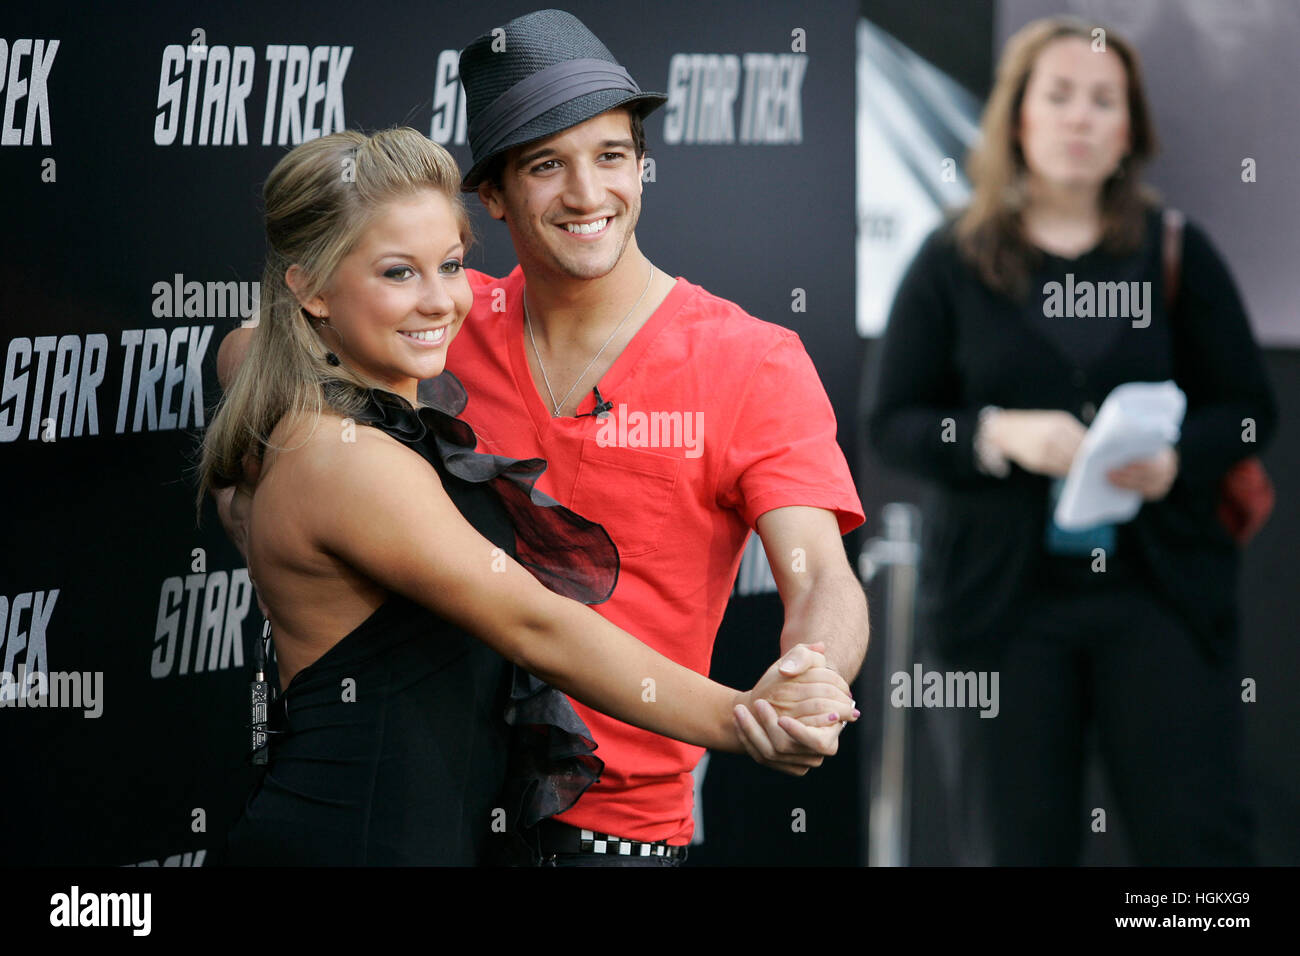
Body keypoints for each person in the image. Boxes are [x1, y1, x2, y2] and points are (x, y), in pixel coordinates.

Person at [219, 9, 869, 865]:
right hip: (446, 811)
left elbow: (819, 572)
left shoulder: (752, 361)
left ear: (644, 167)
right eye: (546, 165)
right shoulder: (439, 324)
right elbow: (248, 354)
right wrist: (270, 488)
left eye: (610, 157)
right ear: (490, 195)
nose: (587, 195)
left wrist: (811, 679)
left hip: (613, 828)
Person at [864, 15, 1277, 865]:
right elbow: (890, 424)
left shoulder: (1175, 251)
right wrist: (994, 434)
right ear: (1019, 116)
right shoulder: (954, 258)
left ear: (1128, 127)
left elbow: (1247, 408)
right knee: (1014, 844)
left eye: (1102, 100)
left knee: (1197, 845)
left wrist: (1175, 461)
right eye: (1059, 96)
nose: (1080, 117)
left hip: (1158, 598)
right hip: (1001, 611)